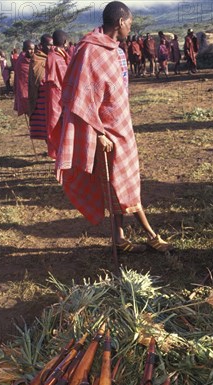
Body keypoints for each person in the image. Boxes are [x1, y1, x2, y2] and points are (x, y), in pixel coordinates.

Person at [56, 1, 171, 253]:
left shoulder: (116, 51)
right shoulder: (89, 51)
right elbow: (81, 98)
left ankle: (119, 237)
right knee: (123, 182)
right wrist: (98, 134)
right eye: (130, 22)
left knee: (120, 182)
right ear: (121, 22)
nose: (131, 27)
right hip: (106, 132)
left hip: (122, 126)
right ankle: (152, 235)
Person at [45, 29, 70, 158]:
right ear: (65, 42)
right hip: (57, 98)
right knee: (57, 127)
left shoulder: (58, 56)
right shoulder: (54, 58)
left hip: (61, 96)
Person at [28, 34, 53, 141]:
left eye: (52, 45)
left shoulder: (55, 56)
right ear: (41, 45)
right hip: (41, 99)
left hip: (53, 98)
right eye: (48, 45)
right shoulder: (36, 59)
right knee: (45, 128)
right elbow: (36, 79)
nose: (51, 48)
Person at [14, 40, 35, 116]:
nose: (32, 51)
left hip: (30, 92)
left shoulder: (30, 60)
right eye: (29, 49)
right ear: (24, 49)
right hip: (25, 92)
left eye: (33, 49)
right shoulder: (22, 61)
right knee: (31, 113)